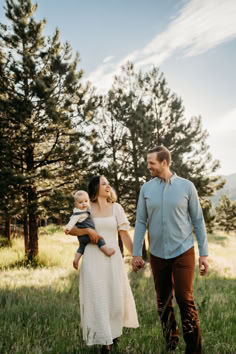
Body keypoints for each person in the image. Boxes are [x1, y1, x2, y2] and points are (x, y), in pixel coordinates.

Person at [132, 146, 208, 354]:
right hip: (157, 254)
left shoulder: (187, 187)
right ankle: (171, 340)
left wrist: (204, 254)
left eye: (151, 163)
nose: (148, 166)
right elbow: (140, 222)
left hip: (183, 251)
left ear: (164, 162)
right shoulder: (146, 189)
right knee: (163, 300)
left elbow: (198, 221)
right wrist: (136, 253)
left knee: (185, 299)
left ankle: (194, 348)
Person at [68, 176, 139, 353]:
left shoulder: (117, 208)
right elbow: (71, 229)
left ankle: (113, 334)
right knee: (97, 297)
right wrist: (88, 230)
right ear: (95, 188)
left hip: (112, 258)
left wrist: (136, 256)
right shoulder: (85, 206)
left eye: (108, 183)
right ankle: (103, 342)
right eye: (103, 183)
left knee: (114, 298)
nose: (108, 185)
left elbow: (124, 235)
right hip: (92, 258)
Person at [64, 190, 115, 270]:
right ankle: (107, 251)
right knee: (99, 240)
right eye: (80, 202)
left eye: (86, 201)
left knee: (81, 247)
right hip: (87, 235)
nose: (84, 204)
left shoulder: (84, 209)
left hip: (81, 237)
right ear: (76, 204)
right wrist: (68, 228)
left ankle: (76, 259)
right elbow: (72, 221)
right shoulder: (79, 213)